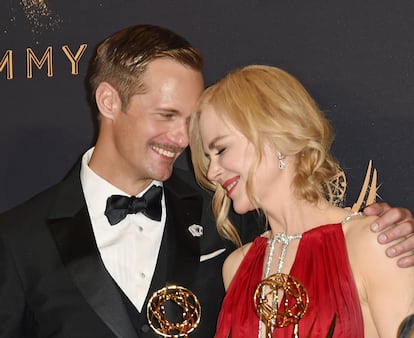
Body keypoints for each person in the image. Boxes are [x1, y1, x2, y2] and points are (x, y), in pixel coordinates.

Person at [0, 25, 412, 338]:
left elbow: (319, 235)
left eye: (191, 123)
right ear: (109, 101)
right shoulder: (18, 240)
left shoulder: (226, 214)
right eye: (166, 115)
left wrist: (392, 230)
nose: (182, 141)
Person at [188, 65, 414, 337]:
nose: (212, 172)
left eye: (221, 150)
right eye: (208, 158)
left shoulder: (374, 243)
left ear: (274, 134)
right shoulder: (236, 267)